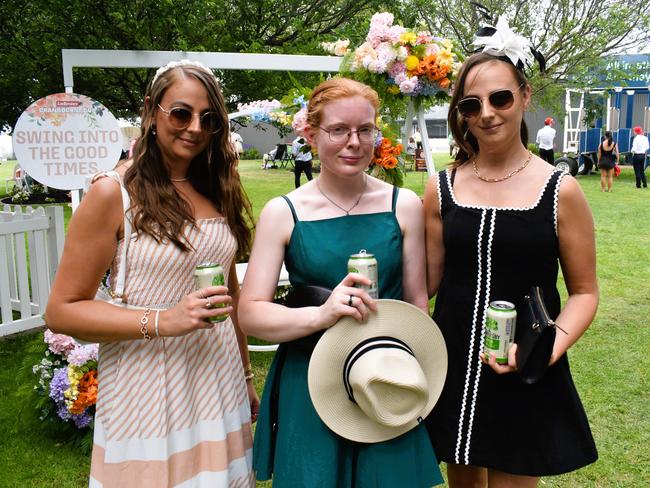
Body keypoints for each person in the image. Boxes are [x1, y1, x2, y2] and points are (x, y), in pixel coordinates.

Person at [45, 59, 258, 487]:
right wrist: (164, 320)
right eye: (181, 113)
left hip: (218, 379)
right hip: (148, 384)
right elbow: (62, 311)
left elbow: (227, 296)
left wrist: (247, 375)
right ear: (150, 111)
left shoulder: (218, 189)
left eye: (208, 118)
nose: (195, 127)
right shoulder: (113, 193)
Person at [238, 77, 443, 487]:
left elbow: (417, 304)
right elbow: (251, 315)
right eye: (338, 130)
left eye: (364, 129)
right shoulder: (283, 213)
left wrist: (403, 374)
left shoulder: (402, 205)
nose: (354, 142)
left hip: (382, 376)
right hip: (312, 379)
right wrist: (322, 314)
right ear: (312, 135)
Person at [423, 18, 598, 488]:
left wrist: (541, 353)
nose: (487, 113)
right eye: (470, 104)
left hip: (527, 363)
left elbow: (584, 293)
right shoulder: (441, 188)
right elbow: (427, 283)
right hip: (456, 361)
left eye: (500, 98)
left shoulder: (561, 190)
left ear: (523, 95)